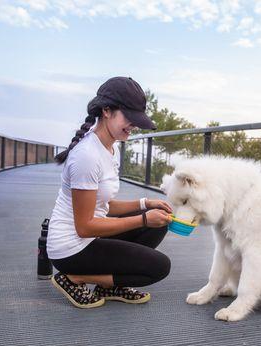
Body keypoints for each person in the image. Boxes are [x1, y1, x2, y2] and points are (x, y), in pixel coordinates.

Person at [47, 76, 173, 309]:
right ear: (106, 110)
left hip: (91, 237)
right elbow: (84, 226)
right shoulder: (87, 156)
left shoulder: (110, 148)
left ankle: (108, 285)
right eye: (129, 118)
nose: (133, 126)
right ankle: (75, 278)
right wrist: (143, 218)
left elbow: (104, 205)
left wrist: (146, 204)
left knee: (159, 223)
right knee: (159, 267)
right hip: (71, 248)